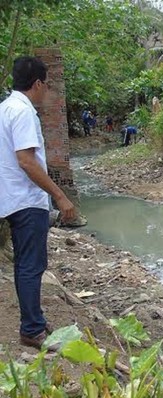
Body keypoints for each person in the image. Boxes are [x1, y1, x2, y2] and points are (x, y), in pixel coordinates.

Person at [0, 56, 77, 349]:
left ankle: (34, 322)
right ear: (37, 84)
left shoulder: (5, 108)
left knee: (26, 264)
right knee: (31, 265)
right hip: (26, 199)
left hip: (10, 196)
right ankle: (32, 329)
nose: (47, 91)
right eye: (47, 85)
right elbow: (26, 161)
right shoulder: (23, 113)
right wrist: (59, 196)